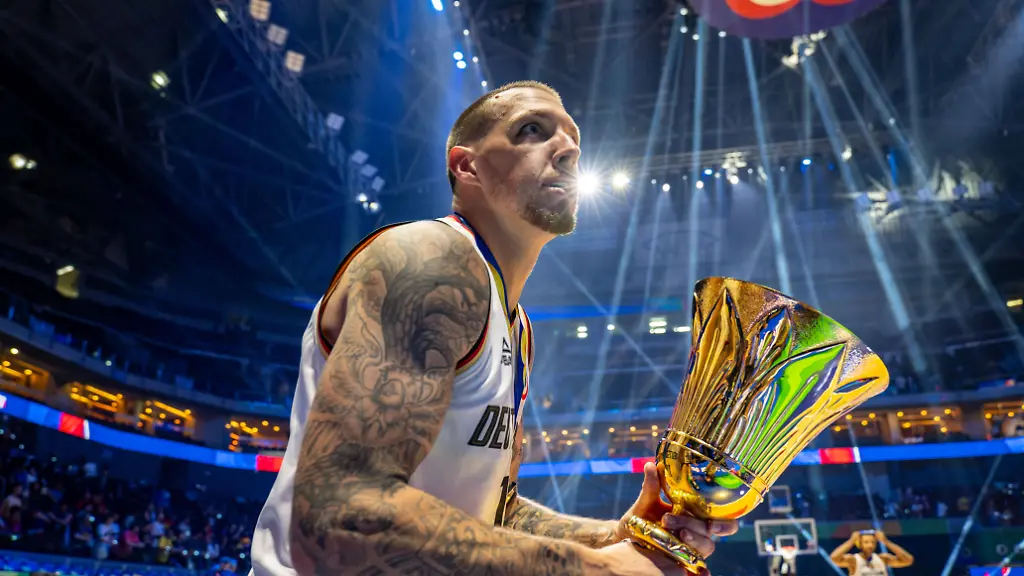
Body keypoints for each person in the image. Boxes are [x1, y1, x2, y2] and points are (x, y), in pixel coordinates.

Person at [250, 80, 737, 576]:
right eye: (532, 130)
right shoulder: (430, 259)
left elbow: (495, 515)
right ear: (467, 166)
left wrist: (616, 537)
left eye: (573, 139)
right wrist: (600, 569)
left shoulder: (515, 323)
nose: (569, 150)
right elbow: (338, 514)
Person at [830, 530, 914, 574]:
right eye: (866, 542)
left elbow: (908, 560)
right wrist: (851, 541)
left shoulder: (883, 558)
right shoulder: (853, 560)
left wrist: (886, 542)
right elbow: (834, 558)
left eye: (873, 542)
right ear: (860, 544)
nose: (870, 545)